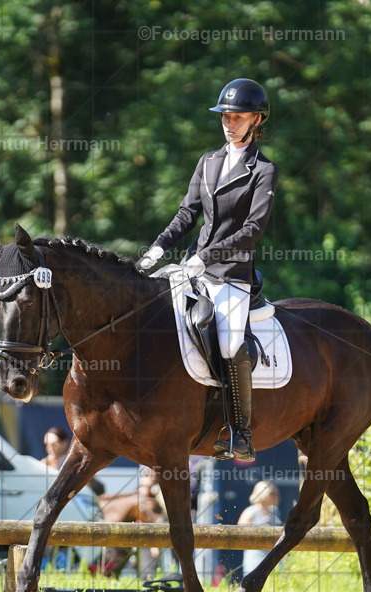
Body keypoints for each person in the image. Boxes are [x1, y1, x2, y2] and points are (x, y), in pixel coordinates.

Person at [137, 77, 277, 463]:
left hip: (232, 272)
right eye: (225, 116)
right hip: (194, 266)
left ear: (256, 119)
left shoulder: (263, 171)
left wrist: (208, 256)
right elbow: (188, 213)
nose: (228, 122)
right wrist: (159, 246)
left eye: (237, 116)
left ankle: (241, 432)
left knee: (231, 343)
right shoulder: (208, 161)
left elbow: (253, 229)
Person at [238, 480, 281, 577]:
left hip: (275, 561)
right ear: (264, 495)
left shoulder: (275, 512)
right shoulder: (249, 512)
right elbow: (239, 537)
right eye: (274, 493)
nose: (278, 497)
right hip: (255, 561)